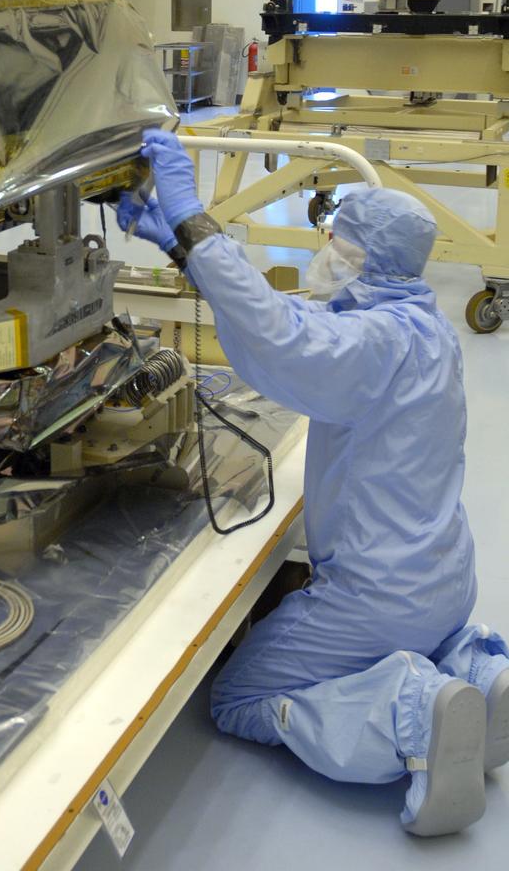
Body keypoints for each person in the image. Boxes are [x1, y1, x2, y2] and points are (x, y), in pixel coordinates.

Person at [116, 128, 509, 838]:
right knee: (416, 633)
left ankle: (408, 716)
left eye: (337, 243)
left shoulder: (372, 347)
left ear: (360, 256)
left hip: (374, 599)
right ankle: (473, 672)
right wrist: (183, 249)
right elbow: (301, 317)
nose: (325, 252)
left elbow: (279, 340)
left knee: (240, 694)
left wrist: (192, 216)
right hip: (448, 581)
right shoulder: (421, 326)